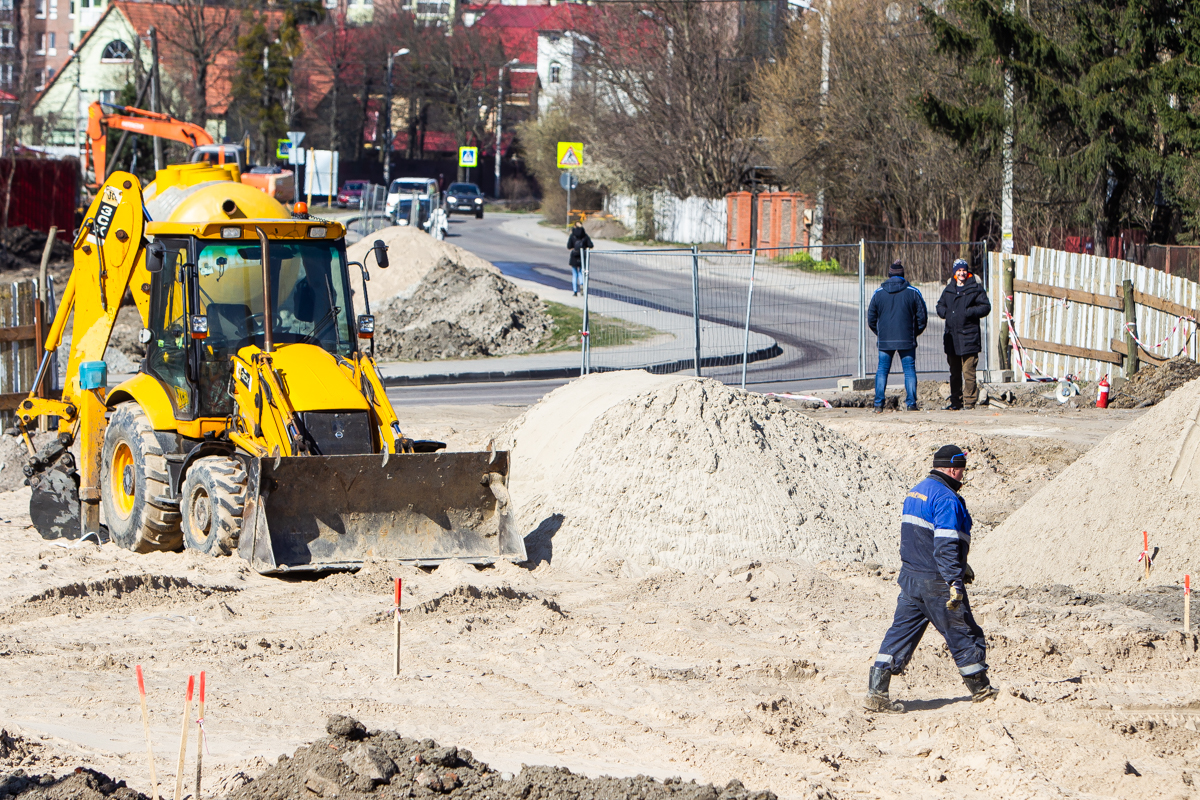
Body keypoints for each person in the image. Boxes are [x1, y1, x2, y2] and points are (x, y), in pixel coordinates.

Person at [864, 445, 999, 713]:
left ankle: (876, 693)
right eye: (962, 470)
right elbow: (946, 542)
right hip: (936, 581)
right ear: (952, 469)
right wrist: (954, 580)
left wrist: (963, 563)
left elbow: (922, 538)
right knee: (964, 633)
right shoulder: (947, 498)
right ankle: (982, 691)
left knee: (900, 634)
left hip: (911, 578)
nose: (963, 476)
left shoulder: (917, 491)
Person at [867, 260, 927, 412]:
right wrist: (914, 333)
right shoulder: (913, 292)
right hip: (907, 338)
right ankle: (911, 404)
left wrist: (880, 333)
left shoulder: (878, 293)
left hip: (885, 340)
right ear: (903, 275)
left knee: (882, 370)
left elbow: (871, 319)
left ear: (889, 275)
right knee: (909, 370)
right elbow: (922, 318)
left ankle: (878, 404)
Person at [936, 259, 991, 410]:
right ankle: (955, 402)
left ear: (967, 272)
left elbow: (985, 307)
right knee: (954, 373)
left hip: (969, 337)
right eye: (959, 271)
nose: (961, 273)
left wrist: (969, 312)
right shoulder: (949, 289)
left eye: (964, 270)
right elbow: (940, 305)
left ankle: (969, 402)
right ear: (954, 273)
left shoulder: (975, 288)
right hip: (952, 338)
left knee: (969, 373)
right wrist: (945, 313)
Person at [567, 223, 593, 296]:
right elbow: (591, 245)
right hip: (582, 256)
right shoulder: (585, 236)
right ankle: (582, 284)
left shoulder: (572, 236)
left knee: (574, 275)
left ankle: (575, 291)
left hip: (574, 256)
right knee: (581, 273)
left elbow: (569, 246)